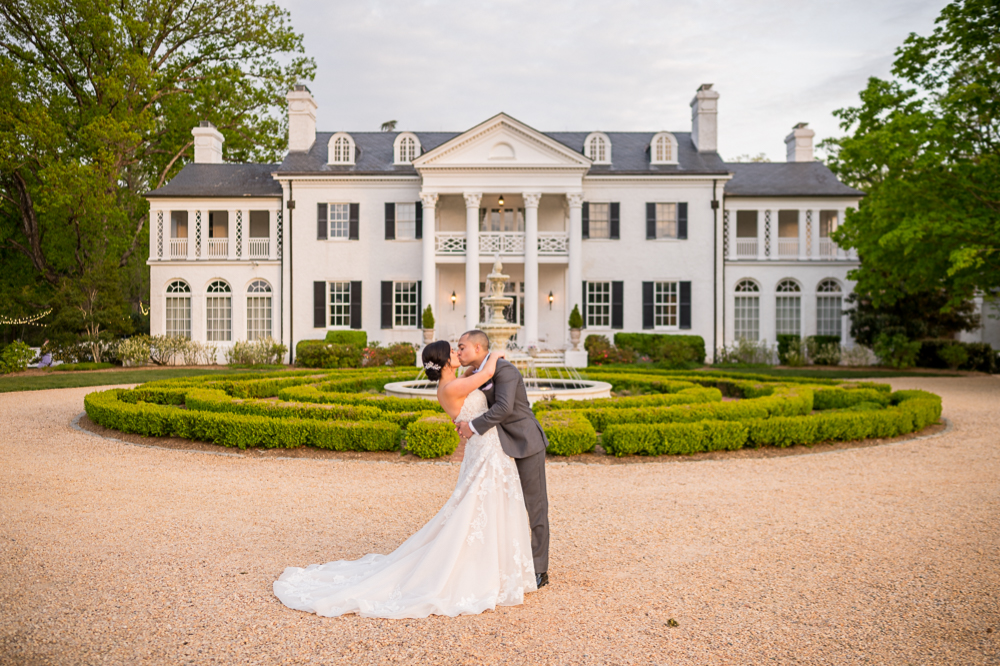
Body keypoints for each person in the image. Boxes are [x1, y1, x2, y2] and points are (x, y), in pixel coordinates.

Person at [273, 340, 537, 618]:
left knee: (487, 506)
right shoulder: (450, 388)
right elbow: (484, 375)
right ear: (445, 361)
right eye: (454, 351)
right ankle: (479, 571)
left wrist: (480, 359)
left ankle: (495, 567)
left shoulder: (456, 380)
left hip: (488, 446)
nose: (458, 353)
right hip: (484, 449)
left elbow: (478, 375)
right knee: (477, 508)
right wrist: (495, 353)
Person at [454, 330, 550, 590]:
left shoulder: (504, 369)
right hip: (497, 447)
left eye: (462, 347)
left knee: (535, 506)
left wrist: (472, 426)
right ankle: (509, 563)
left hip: (525, 441)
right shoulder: (477, 373)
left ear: (477, 347)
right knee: (507, 507)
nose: (459, 351)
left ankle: (540, 569)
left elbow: (504, 407)